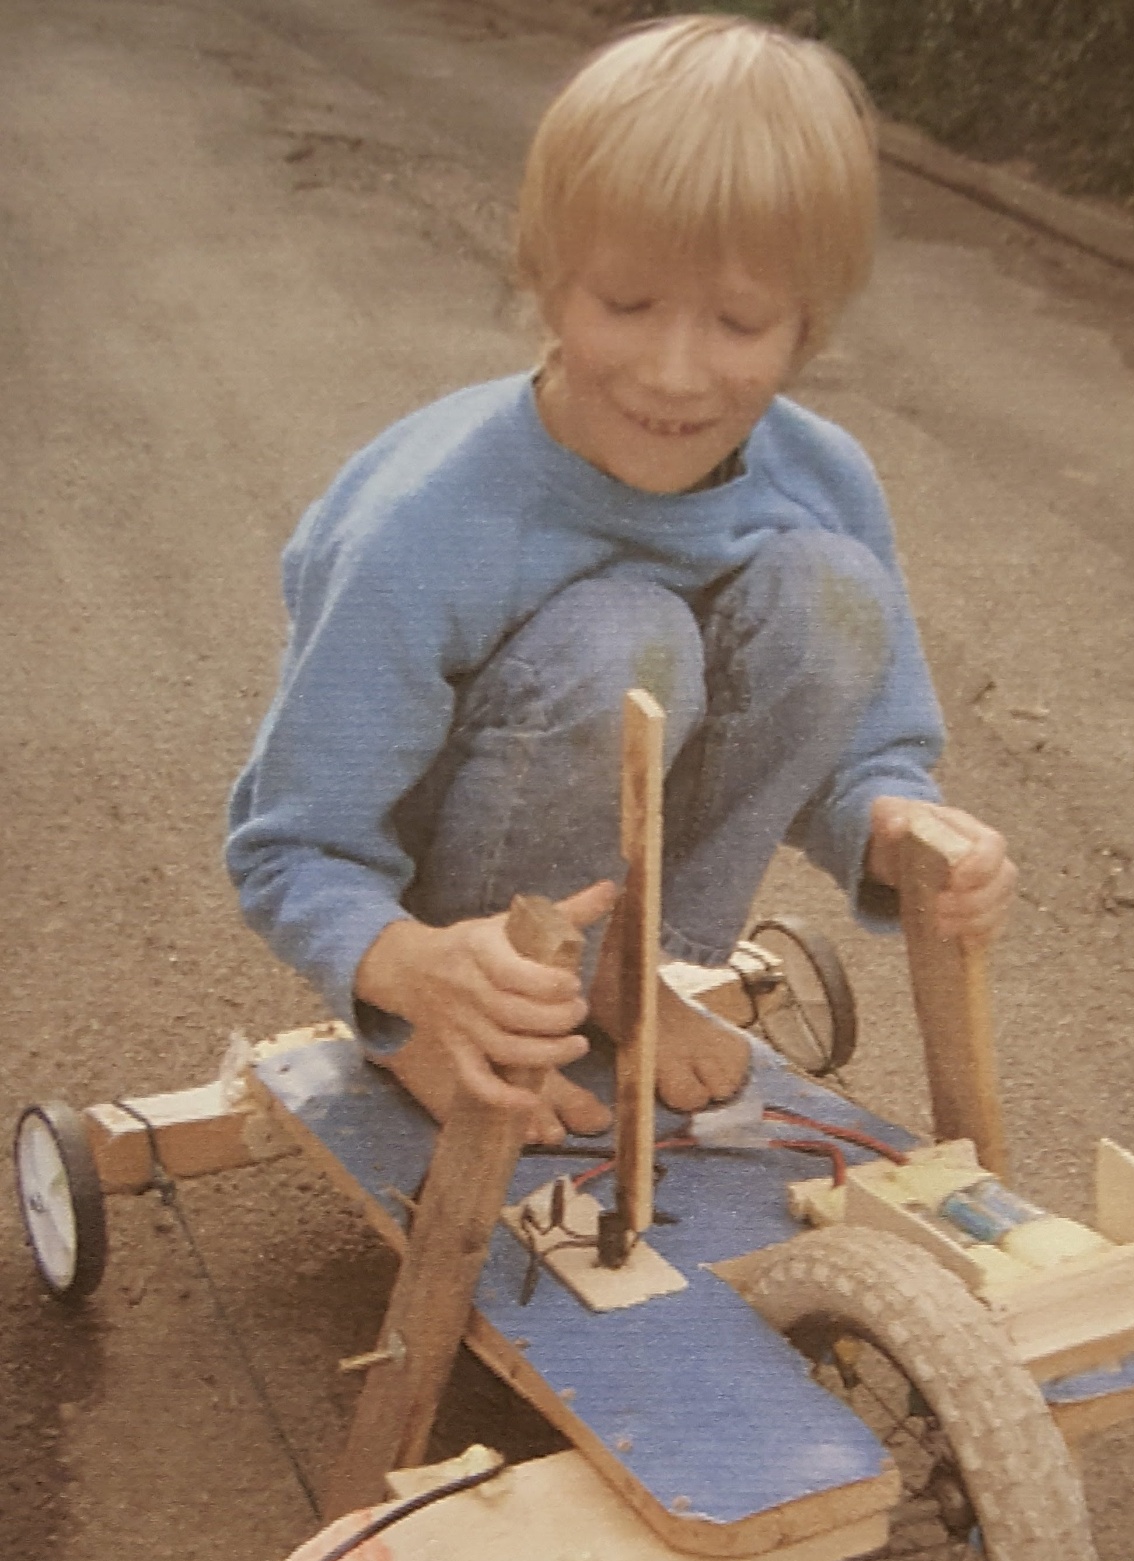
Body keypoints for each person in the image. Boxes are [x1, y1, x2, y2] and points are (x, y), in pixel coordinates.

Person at [226, 13, 1016, 1146]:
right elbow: (292, 843)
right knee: (624, 641)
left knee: (831, 594)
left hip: (613, 895)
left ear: (808, 326)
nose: (676, 370)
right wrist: (410, 969)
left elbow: (872, 755)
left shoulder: (825, 476)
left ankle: (622, 972)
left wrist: (908, 837)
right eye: (625, 304)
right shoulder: (419, 524)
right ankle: (477, 1013)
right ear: (546, 282)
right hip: (449, 918)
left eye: (741, 321)